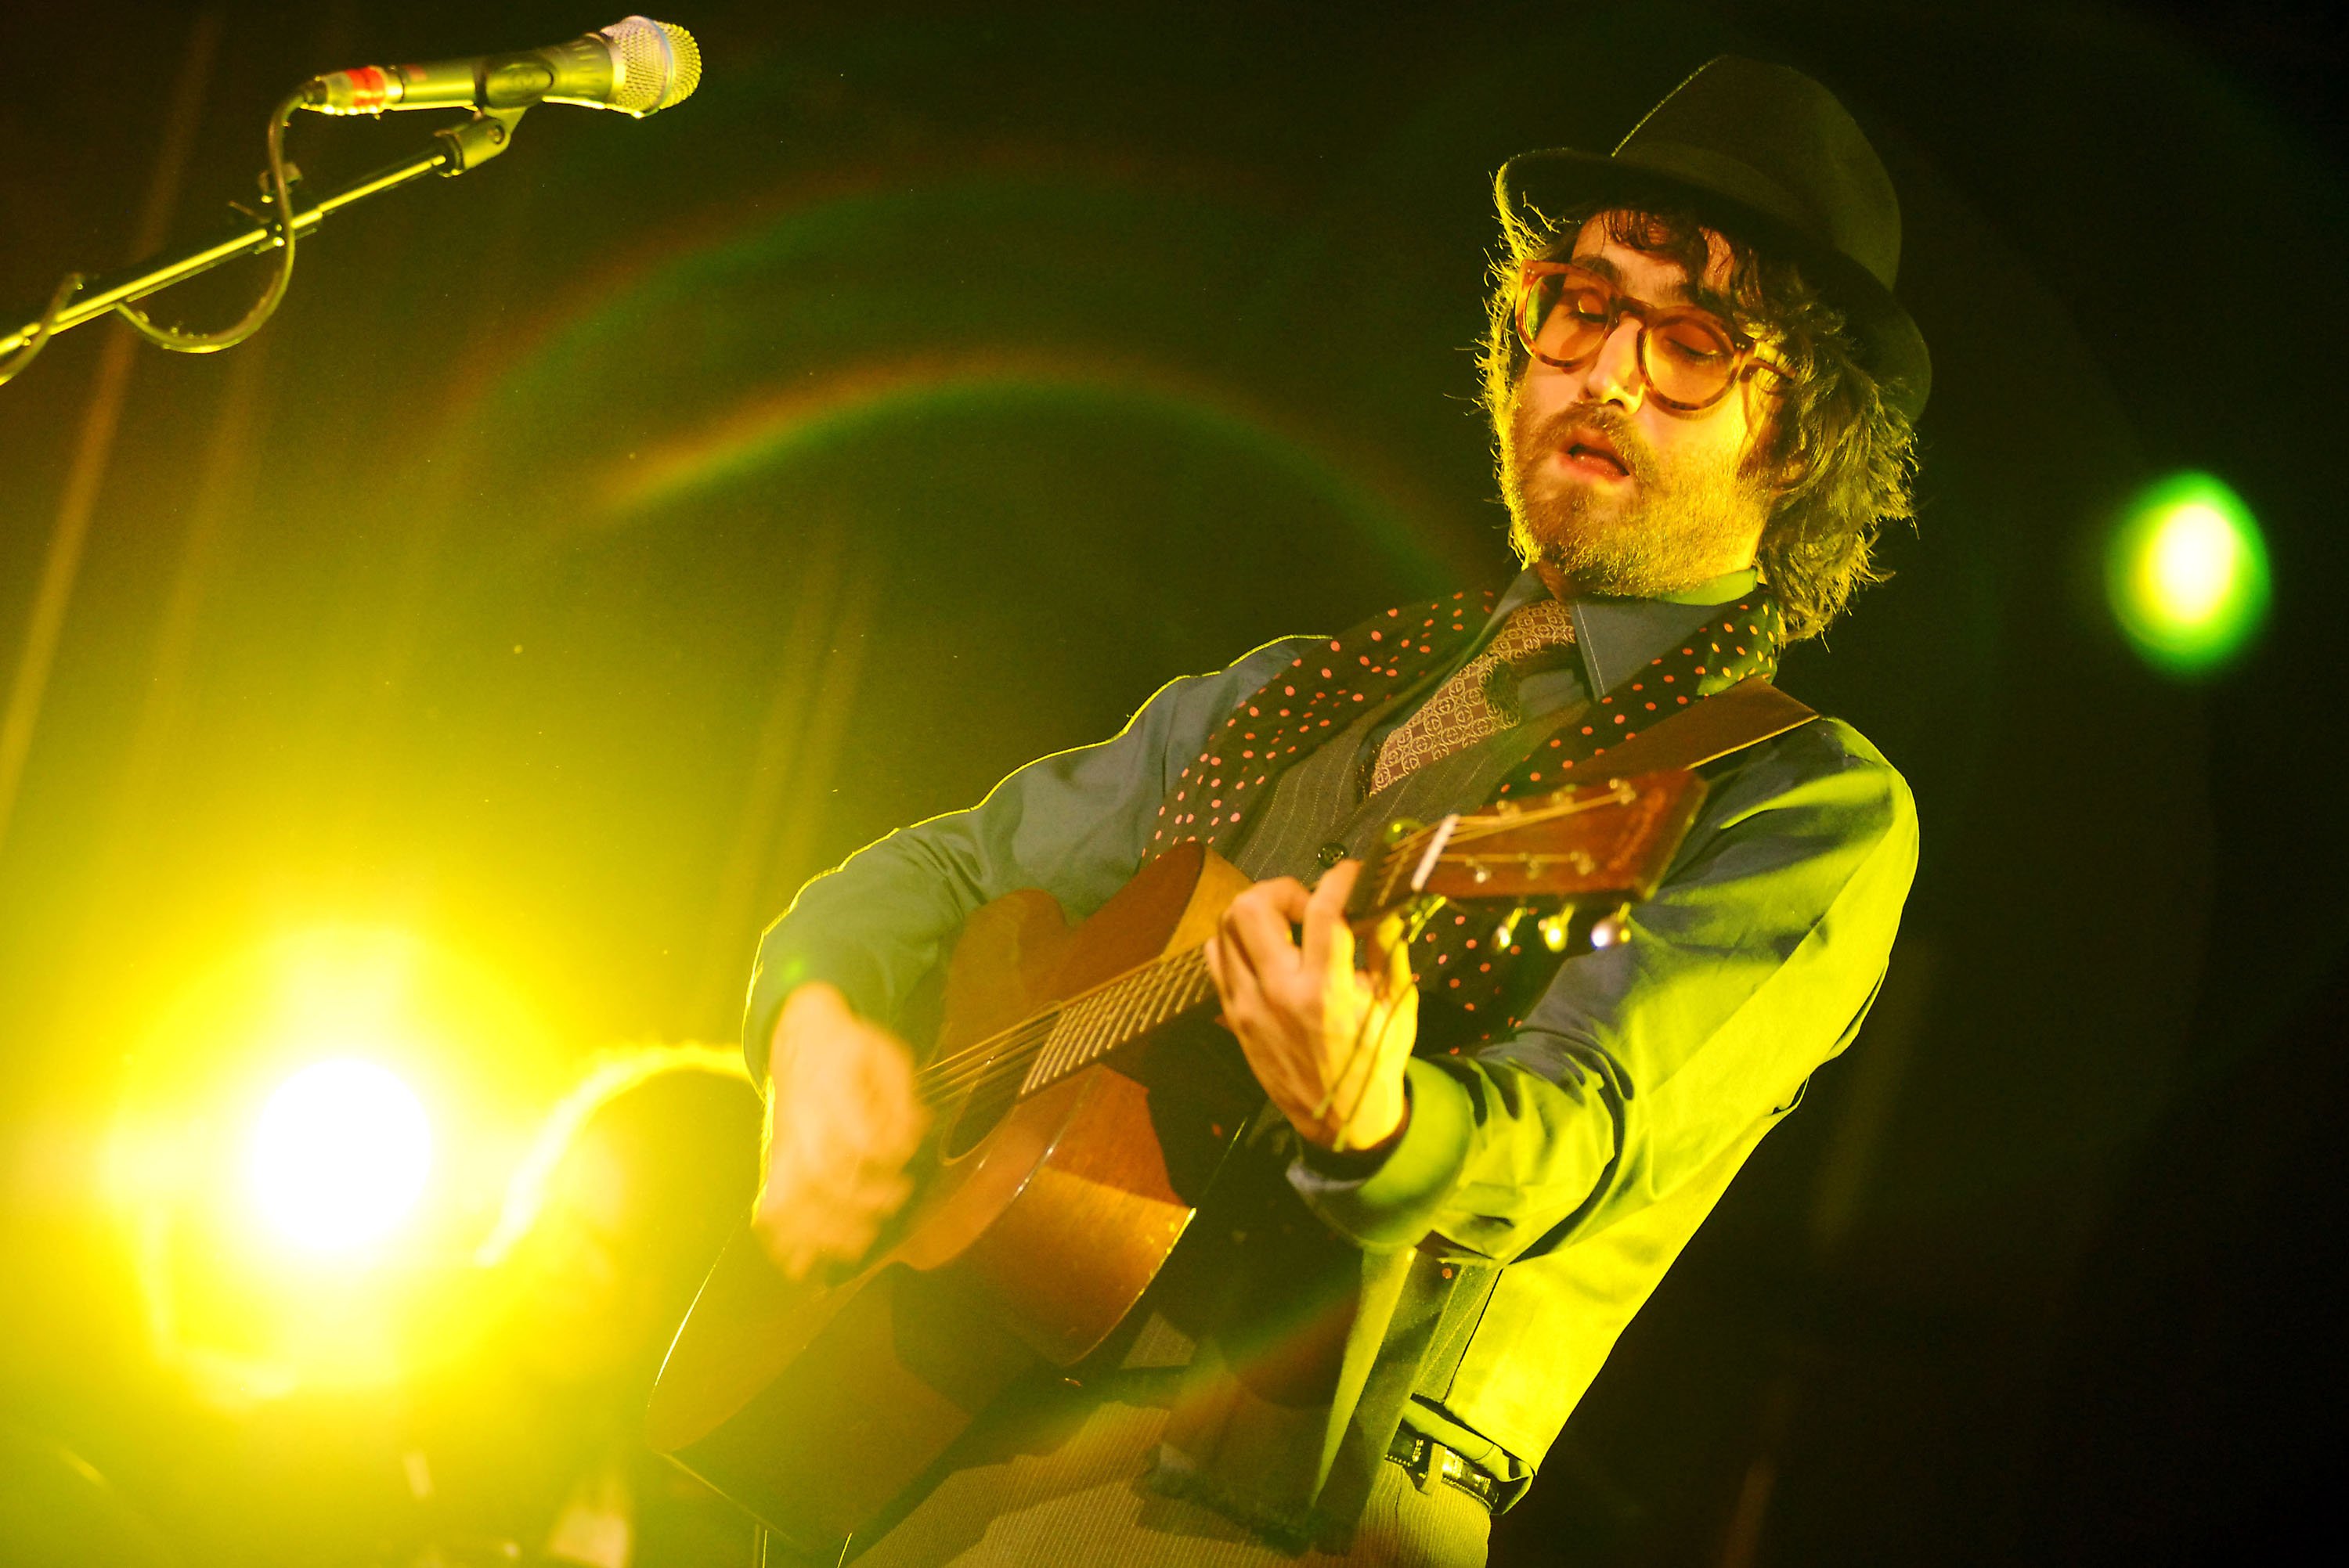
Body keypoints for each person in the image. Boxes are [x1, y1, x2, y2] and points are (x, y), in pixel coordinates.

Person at [742, 56, 1925, 1567]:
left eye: (1691, 343)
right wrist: (819, 1026)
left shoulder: (1794, 797)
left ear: (1799, 438)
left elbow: (1574, 1132)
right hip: (932, 1426)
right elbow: (952, 867)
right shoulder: (1300, 685)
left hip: (1249, 1501)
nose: (1607, 372)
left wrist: (1375, 1115)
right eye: (1582, 304)